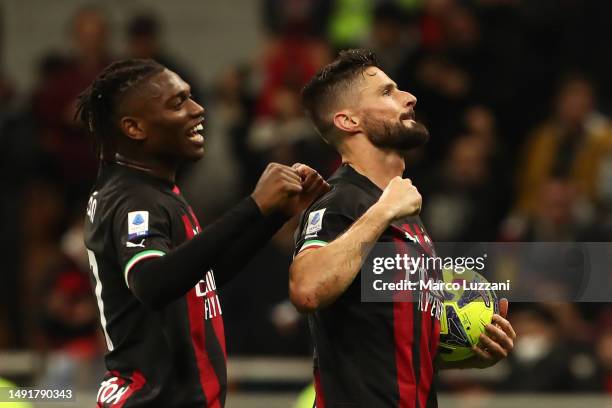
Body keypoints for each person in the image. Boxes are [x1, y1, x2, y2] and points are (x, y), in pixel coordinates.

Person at [77, 58, 328, 407]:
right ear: (134, 127)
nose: (198, 110)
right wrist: (254, 205)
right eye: (178, 103)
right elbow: (152, 283)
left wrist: (274, 216)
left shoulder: (153, 192)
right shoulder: (136, 201)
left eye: (191, 97)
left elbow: (199, 278)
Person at [289, 49, 516, 407]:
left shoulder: (404, 212)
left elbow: (381, 341)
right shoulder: (342, 202)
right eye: (386, 92)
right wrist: (382, 213)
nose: (409, 98)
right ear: (348, 121)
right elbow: (306, 290)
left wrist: (464, 355)